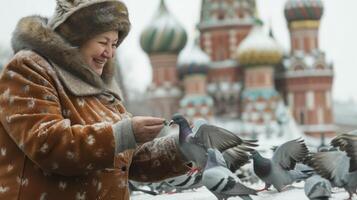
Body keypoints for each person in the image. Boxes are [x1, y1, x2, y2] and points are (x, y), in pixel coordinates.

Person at [0, 0, 189, 199]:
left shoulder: (99, 87)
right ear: (76, 38)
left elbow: (130, 161)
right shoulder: (29, 69)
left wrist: (184, 148)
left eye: (114, 44)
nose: (109, 53)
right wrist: (125, 133)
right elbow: (48, 144)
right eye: (103, 42)